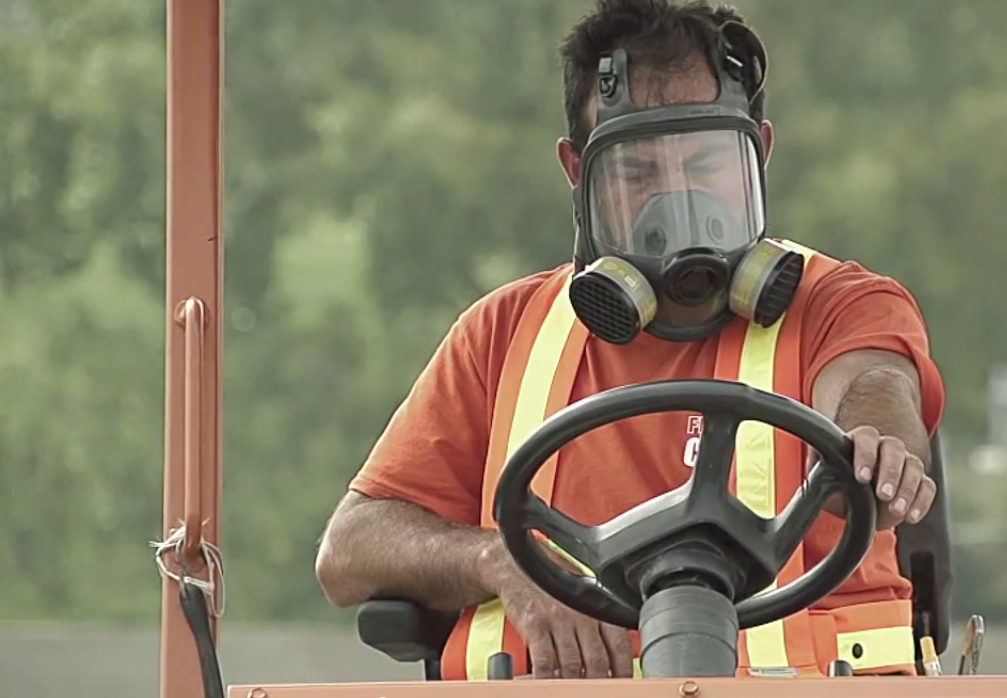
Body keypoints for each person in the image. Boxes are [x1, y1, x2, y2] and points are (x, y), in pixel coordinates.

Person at [315, 0, 945, 681]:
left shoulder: (840, 305)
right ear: (578, 171)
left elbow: (873, 386)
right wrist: (500, 562)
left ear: (758, 152)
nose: (677, 197)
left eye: (705, 163)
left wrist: (880, 446)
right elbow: (350, 549)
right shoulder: (502, 335)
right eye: (640, 171)